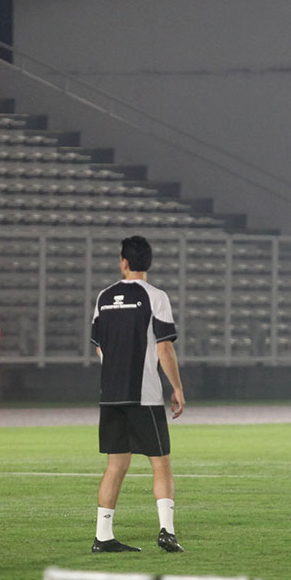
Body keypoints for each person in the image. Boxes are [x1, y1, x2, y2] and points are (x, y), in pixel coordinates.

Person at [89, 235, 186, 553]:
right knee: (161, 463)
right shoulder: (156, 297)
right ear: (149, 263)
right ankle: (166, 532)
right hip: (143, 394)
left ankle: (103, 536)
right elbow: (164, 346)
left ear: (124, 262)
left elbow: (100, 346)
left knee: (116, 464)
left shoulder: (104, 298)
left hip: (111, 395)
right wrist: (176, 387)